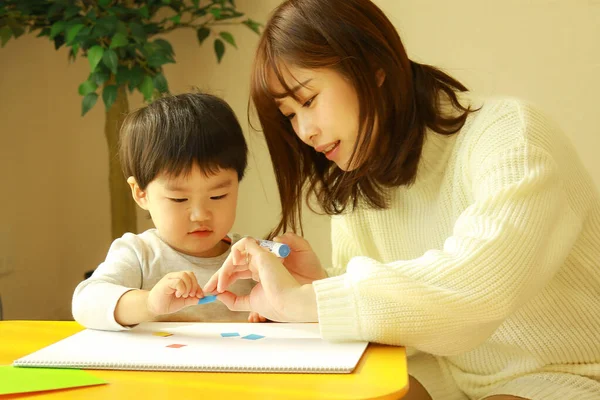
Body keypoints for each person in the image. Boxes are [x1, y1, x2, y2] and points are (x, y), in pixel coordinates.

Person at [204, 0, 600, 399]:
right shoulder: (361, 181)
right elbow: (396, 307)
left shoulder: (512, 136)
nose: (304, 131)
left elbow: (479, 286)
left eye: (307, 100)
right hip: (445, 376)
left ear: (374, 66)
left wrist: (310, 301)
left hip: (568, 376)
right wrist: (319, 283)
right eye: (289, 114)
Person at [73, 92, 265, 331]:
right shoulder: (139, 254)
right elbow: (86, 302)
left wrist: (277, 312)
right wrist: (150, 303)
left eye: (218, 196)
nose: (200, 215)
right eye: (179, 198)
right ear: (141, 193)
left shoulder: (251, 258)